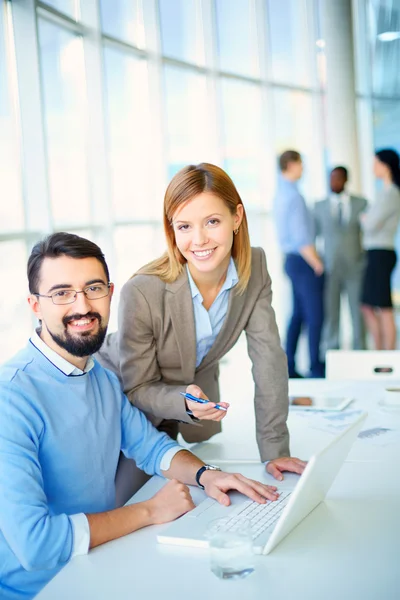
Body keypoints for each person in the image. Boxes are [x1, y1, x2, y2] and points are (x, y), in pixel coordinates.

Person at [0, 232, 301, 600]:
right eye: (62, 293)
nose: (82, 306)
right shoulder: (10, 398)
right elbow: (36, 544)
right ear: (35, 305)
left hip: (102, 564)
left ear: (110, 293)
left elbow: (151, 447)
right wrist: (150, 511)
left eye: (93, 288)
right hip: (42, 589)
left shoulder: (101, 378)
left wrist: (208, 475)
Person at [97, 163, 306, 475]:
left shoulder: (255, 265)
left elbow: (269, 360)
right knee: (126, 500)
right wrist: (182, 400)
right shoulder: (142, 290)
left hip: (185, 412)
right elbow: (137, 385)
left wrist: (275, 451)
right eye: (184, 227)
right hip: (119, 406)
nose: (199, 240)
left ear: (236, 217)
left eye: (211, 222)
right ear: (171, 230)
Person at [273, 150, 325, 378]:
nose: (303, 168)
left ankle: (289, 365)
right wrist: (317, 263)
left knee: (298, 314)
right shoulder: (293, 195)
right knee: (315, 315)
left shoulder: (281, 193)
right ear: (291, 165)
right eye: (300, 164)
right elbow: (301, 237)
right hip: (303, 261)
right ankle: (315, 366)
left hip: (292, 260)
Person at [314, 166, 367, 350]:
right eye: (331, 178)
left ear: (345, 180)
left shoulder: (361, 203)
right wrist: (318, 262)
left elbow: (369, 232)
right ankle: (331, 350)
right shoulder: (319, 206)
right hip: (330, 268)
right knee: (331, 312)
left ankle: (361, 348)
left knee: (357, 311)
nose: (334, 182)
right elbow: (313, 236)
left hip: (355, 267)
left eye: (338, 178)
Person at [361, 149, 400, 350]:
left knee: (383, 306)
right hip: (376, 253)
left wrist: (365, 218)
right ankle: (379, 351)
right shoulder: (384, 192)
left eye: (376, 163)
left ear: (386, 165)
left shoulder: (392, 193)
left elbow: (370, 223)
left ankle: (388, 354)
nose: (373, 168)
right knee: (368, 304)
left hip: (381, 253)